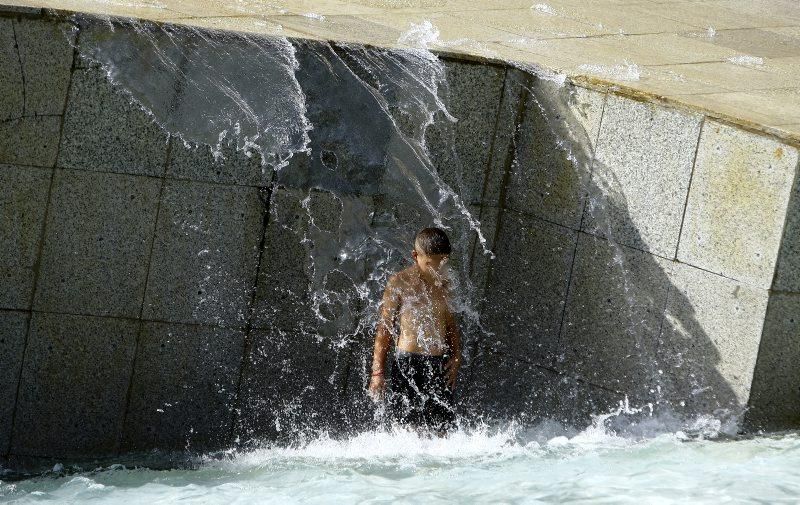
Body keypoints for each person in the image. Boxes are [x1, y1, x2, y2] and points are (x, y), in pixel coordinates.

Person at [367, 227, 461, 435]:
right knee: (406, 431)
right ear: (415, 256)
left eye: (442, 263)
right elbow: (385, 329)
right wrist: (377, 372)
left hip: (438, 364)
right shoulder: (399, 282)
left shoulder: (446, 284)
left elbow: (451, 326)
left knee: (443, 431)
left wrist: (456, 357)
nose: (436, 270)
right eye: (430, 264)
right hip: (407, 363)